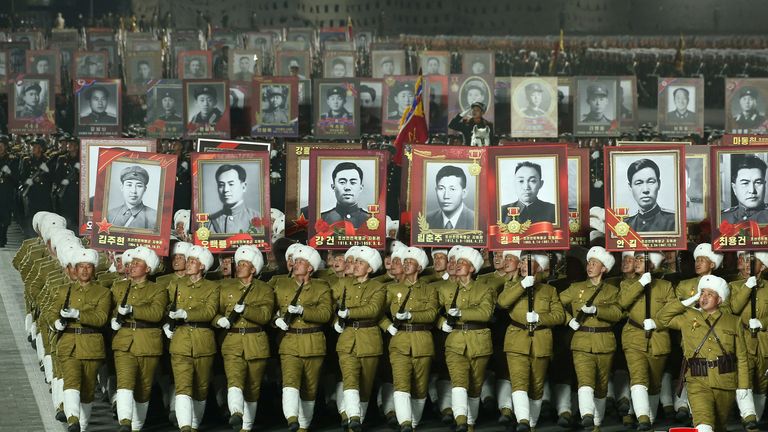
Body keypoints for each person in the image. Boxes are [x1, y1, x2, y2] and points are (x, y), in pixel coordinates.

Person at [657, 275, 749, 432]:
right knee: (703, 424)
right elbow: (662, 318)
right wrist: (687, 301)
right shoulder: (688, 317)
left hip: (725, 382)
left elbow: (741, 357)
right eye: (702, 293)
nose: (704, 297)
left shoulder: (733, 321)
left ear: (719, 300)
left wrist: (744, 387)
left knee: (719, 426)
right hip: (697, 381)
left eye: (709, 294)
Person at [497, 252, 565, 431]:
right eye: (522, 263)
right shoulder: (511, 285)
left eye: (528, 263)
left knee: (536, 386)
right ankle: (523, 421)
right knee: (519, 382)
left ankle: (531, 423)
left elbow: (559, 316)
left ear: (539, 268)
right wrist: (521, 285)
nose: (522, 266)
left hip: (541, 342)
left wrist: (539, 318)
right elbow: (502, 302)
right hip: (517, 340)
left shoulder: (549, 291)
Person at [46, 248, 110, 432]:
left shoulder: (103, 293)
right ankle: (73, 419)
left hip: (91, 345)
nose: (83, 270)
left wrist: (79, 314)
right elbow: (51, 311)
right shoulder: (64, 290)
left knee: (88, 389)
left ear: (94, 269)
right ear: (74, 269)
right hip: (68, 343)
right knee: (71, 380)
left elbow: (101, 318)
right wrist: (55, 322)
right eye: (80, 266)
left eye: (88, 267)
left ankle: (81, 426)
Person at [559, 248, 622, 431]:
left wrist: (597, 310)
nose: (590, 266)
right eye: (589, 262)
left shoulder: (611, 291)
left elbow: (617, 313)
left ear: (604, 268)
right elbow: (554, 304)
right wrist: (567, 319)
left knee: (601, 385)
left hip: (604, 341)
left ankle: (596, 421)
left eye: (595, 263)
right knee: (585, 380)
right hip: (581, 341)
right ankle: (586, 414)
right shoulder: (575, 288)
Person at [214, 245, 274, 432]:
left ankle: (245, 427)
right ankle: (236, 413)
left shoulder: (264, 289)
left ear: (253, 269)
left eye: (244, 264)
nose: (238, 267)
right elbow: (213, 311)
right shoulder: (225, 287)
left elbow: (265, 316)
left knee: (253, 387)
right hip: (232, 342)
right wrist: (219, 320)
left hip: (255, 342)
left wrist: (246, 310)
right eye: (238, 263)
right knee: (234, 380)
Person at [273, 245, 332, 432]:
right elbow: (269, 309)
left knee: (310, 387)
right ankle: (291, 419)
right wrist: (276, 320)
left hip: (313, 342)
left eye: (301, 262)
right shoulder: (280, 285)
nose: (296, 264)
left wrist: (303, 311)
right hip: (289, 342)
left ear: (310, 268)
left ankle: (303, 426)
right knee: (289, 382)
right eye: (295, 261)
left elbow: (325, 315)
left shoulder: (321, 288)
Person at [378, 246, 437, 432]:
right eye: (404, 262)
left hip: (422, 341)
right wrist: (388, 326)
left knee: (420, 386)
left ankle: (412, 422)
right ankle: (405, 423)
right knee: (401, 383)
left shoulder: (429, 289)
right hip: (400, 341)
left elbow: (432, 314)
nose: (406, 264)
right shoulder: (392, 288)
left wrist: (410, 315)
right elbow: (376, 311)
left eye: (410, 262)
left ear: (419, 267)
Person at [163, 245, 220, 432]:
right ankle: (185, 426)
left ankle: (193, 425)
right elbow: (164, 307)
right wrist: (166, 322)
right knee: (183, 386)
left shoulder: (212, 288)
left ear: (202, 266)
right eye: (188, 261)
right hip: (180, 340)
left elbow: (210, 311)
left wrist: (185, 313)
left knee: (201, 387)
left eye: (193, 261)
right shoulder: (175, 285)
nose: (188, 264)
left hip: (203, 341)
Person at [617, 251, 676, 431]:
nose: (636, 262)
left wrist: (657, 322)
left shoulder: (665, 286)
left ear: (651, 265)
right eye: (636, 259)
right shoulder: (626, 283)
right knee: (638, 377)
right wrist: (640, 284)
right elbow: (622, 302)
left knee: (654, 382)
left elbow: (673, 309)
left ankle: (647, 419)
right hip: (633, 336)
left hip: (658, 338)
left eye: (641, 259)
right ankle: (643, 417)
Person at [437, 247, 494, 432]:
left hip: (479, 341)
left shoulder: (485, 289)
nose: (458, 265)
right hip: (455, 341)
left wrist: (461, 313)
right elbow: (433, 312)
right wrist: (441, 323)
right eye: (457, 262)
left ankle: (469, 423)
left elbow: (485, 313)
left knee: (476, 385)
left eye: (463, 263)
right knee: (459, 382)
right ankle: (461, 420)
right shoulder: (445, 288)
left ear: (472, 268)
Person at [110, 246, 165, 432]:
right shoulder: (118, 287)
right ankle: (124, 421)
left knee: (143, 389)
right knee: (124, 382)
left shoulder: (158, 290)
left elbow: (156, 313)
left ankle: (136, 427)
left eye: (137, 263)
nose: (132, 266)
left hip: (147, 342)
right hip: (124, 341)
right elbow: (109, 310)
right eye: (131, 263)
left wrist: (134, 310)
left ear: (148, 269)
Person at [331, 246, 385, 432]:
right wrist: (335, 319)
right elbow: (327, 300)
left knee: (365, 385)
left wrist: (349, 312)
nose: (355, 265)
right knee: (350, 379)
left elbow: (373, 310)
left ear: (369, 269)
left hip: (369, 340)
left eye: (360, 263)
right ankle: (353, 416)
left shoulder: (378, 287)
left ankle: (357, 420)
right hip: (347, 340)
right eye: (355, 262)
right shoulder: (343, 284)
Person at [623, 158, 676, 232]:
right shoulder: (624, 225)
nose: (645, 190)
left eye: (651, 182)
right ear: (630, 187)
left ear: (659, 184)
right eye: (639, 183)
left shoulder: (674, 221)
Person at [209, 164, 262, 233]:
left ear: (244, 187)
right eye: (221, 185)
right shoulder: (209, 221)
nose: (226, 189)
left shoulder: (258, 218)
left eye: (231, 184)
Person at [320, 162, 371, 228]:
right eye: (342, 182)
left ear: (361, 188)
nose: (347, 188)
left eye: (353, 182)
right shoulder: (321, 219)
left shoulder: (370, 220)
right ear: (333, 187)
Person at [107, 165, 158, 230]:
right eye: (129, 185)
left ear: (145, 189)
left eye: (139, 186)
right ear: (122, 187)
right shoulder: (110, 214)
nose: (133, 191)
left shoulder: (155, 217)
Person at [426, 165, 475, 230]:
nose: (446, 196)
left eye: (452, 189)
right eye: (441, 188)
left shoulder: (476, 220)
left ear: (464, 193)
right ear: (436, 190)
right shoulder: (427, 219)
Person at [722, 155, 768, 223]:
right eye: (745, 183)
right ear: (734, 188)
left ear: (765, 185)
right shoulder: (722, 218)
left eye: (758, 182)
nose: (752, 190)